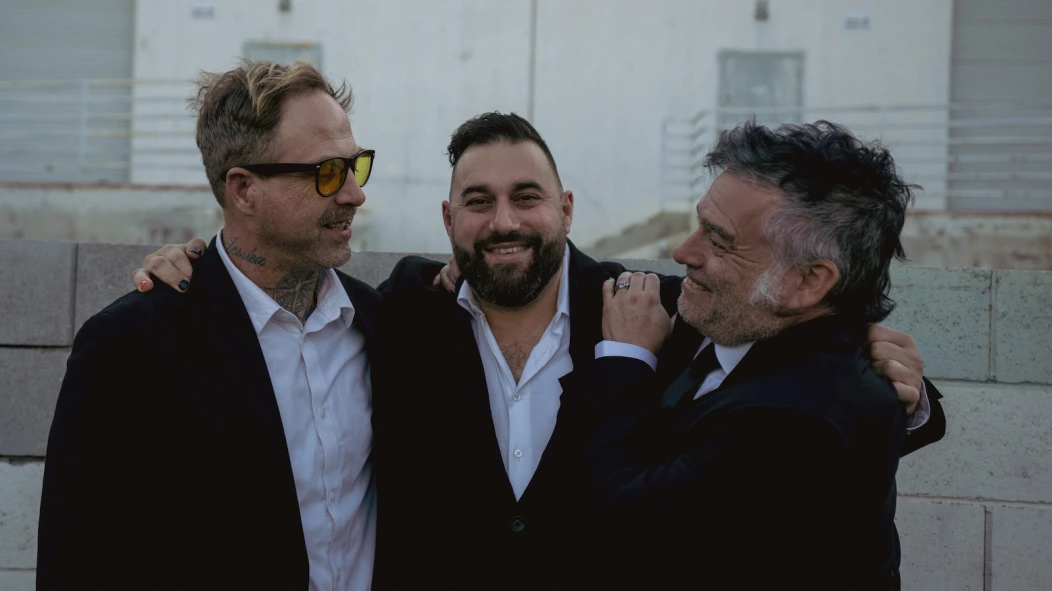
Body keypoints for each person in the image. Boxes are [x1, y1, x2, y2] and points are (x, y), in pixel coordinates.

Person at [130, 113, 943, 588]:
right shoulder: (404, 312)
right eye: (478, 201)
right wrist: (198, 266)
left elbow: (789, 372)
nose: (505, 221)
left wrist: (893, 376)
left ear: (566, 208)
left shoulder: (654, 310)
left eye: (527, 196)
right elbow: (275, 302)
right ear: (449, 220)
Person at [37, 60, 381, 590]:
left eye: (355, 166)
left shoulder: (380, 323)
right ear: (243, 190)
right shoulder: (130, 345)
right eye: (327, 173)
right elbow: (77, 561)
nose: (354, 194)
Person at [584, 120, 925, 590]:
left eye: (718, 240)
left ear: (808, 281)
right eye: (699, 225)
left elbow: (623, 521)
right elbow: (590, 280)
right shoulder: (740, 312)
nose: (683, 251)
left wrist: (626, 360)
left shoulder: (795, 421)